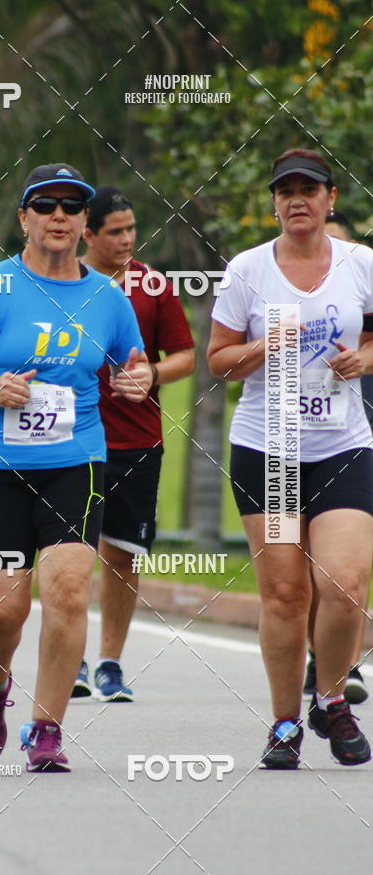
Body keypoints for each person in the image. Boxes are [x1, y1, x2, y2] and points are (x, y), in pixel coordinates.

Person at [0, 164, 147, 772]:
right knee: (2, 609)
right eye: (44, 206)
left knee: (69, 589)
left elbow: (135, 364)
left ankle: (46, 728)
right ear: (22, 218)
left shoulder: (106, 296)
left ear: (84, 223)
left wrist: (137, 379)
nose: (58, 216)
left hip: (75, 459)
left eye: (71, 208)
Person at [208, 148, 373, 769]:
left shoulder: (361, 264)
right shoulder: (247, 271)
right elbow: (218, 361)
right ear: (274, 203)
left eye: (310, 189)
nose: (297, 199)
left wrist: (365, 359)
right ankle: (283, 723)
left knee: (347, 584)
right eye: (286, 191)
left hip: (343, 445)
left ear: (332, 199)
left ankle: (332, 698)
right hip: (269, 452)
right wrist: (259, 348)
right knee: (284, 592)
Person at [71, 186, 195, 701]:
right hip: (72, 440)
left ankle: (109, 665)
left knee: (121, 556)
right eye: (115, 231)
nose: (127, 240)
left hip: (137, 442)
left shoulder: (155, 286)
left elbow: (186, 356)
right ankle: (71, 659)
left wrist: (152, 373)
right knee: (70, 556)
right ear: (88, 233)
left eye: (131, 229)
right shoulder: (59, 282)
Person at [303, 211, 370, 704]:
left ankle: (344, 666)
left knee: (348, 567)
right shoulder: (285, 287)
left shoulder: (363, 277)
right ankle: (319, 660)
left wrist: (363, 360)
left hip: (355, 439)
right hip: (291, 445)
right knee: (307, 569)